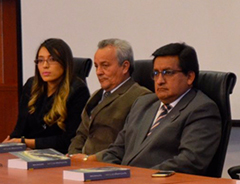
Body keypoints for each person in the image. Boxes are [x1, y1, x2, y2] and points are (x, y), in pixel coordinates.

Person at [84, 43, 220, 175]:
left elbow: (189, 162)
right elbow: (117, 150)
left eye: (167, 73)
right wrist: (109, 174)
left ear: (189, 77)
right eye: (156, 73)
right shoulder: (143, 103)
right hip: (124, 183)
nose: (160, 80)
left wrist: (137, 176)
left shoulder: (201, 109)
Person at [68, 39, 151, 155]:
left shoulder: (141, 97)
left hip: (108, 166)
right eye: (96, 66)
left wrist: (90, 160)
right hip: (81, 164)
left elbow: (128, 145)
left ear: (125, 67)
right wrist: (73, 156)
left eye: (105, 66)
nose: (98, 72)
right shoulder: (96, 96)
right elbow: (81, 134)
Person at [5, 38, 89, 153]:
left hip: (58, 157)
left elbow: (69, 140)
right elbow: (20, 128)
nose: (45, 65)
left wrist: (28, 143)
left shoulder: (78, 91)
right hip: (27, 153)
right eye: (40, 60)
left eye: (52, 59)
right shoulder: (31, 85)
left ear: (65, 63)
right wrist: (8, 144)